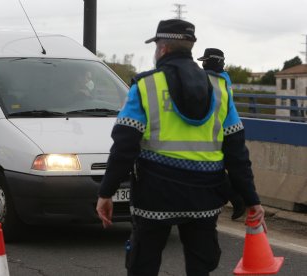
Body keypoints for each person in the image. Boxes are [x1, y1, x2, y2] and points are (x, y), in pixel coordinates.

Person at [96, 19, 266, 276]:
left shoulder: (145, 86)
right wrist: (252, 200)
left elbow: (124, 147)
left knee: (143, 263)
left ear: (162, 49)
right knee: (200, 266)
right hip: (206, 195)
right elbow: (237, 153)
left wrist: (106, 192)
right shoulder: (220, 89)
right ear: (190, 46)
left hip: (155, 195)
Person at [197, 48, 246, 220]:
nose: (202, 65)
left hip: (226, 131)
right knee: (225, 169)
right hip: (229, 129)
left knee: (213, 169)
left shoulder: (216, 80)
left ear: (213, 62)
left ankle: (237, 200)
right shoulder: (223, 78)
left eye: (205, 61)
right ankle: (234, 198)